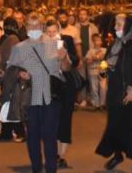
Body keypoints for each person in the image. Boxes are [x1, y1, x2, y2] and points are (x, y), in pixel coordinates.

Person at [8, 19, 71, 173]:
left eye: (37, 26)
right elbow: (10, 70)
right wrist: (20, 73)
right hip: (30, 97)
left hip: (50, 96)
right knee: (33, 136)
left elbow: (66, 68)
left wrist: (63, 58)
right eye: (31, 25)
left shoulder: (55, 44)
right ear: (26, 27)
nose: (34, 28)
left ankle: (51, 169)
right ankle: (36, 167)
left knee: (50, 135)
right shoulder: (19, 48)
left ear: (42, 27)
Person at [96, 14, 132, 173]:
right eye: (115, 23)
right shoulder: (115, 44)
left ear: (129, 26)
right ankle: (117, 155)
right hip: (116, 92)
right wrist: (103, 70)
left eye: (119, 24)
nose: (115, 27)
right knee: (115, 126)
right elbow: (108, 63)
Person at [55, 17, 80, 169]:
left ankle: (61, 155)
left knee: (65, 120)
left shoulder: (67, 40)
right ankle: (54, 152)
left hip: (66, 85)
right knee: (52, 121)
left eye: (55, 29)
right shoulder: (43, 43)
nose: (52, 32)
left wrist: (65, 56)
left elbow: (76, 60)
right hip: (50, 86)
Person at [0, 17, 25, 142]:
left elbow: (10, 58)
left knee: (11, 104)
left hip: (11, 74)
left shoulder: (11, 39)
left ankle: (19, 132)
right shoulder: (11, 38)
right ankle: (6, 132)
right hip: (10, 74)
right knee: (8, 104)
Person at [76, 8, 99, 105]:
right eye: (80, 14)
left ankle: (94, 99)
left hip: (91, 56)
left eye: (84, 14)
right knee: (82, 78)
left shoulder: (93, 27)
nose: (82, 16)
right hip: (80, 56)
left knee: (93, 79)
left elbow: (97, 41)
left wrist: (95, 54)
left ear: (88, 16)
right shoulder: (75, 27)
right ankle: (83, 99)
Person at [85, 33, 107, 110]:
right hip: (93, 71)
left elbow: (107, 60)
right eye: (96, 40)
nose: (98, 42)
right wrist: (94, 58)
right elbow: (87, 61)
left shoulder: (105, 50)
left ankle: (102, 104)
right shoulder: (90, 51)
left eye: (99, 40)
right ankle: (96, 104)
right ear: (93, 42)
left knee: (103, 87)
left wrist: (102, 58)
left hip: (102, 71)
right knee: (94, 88)